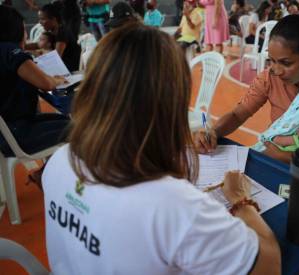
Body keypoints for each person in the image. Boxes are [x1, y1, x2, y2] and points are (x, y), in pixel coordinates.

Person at [42, 22, 281, 274]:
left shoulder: (60, 160)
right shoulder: (172, 206)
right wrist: (241, 201)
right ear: (172, 102)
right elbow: (269, 265)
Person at [194, 14, 299, 163]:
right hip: (271, 158)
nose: (276, 69)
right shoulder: (270, 77)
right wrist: (213, 132)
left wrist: (284, 157)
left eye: (286, 63)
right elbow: (238, 114)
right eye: (271, 60)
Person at [0, 6, 69, 164]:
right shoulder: (10, 51)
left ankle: (44, 172)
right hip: (17, 134)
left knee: (64, 119)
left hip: (7, 132)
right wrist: (57, 80)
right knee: (82, 128)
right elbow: (46, 84)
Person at [36, 3, 81, 71]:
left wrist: (38, 57)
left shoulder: (62, 32)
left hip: (70, 70)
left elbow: (56, 58)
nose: (40, 22)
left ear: (54, 19)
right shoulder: (53, 31)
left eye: (42, 19)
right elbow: (39, 44)